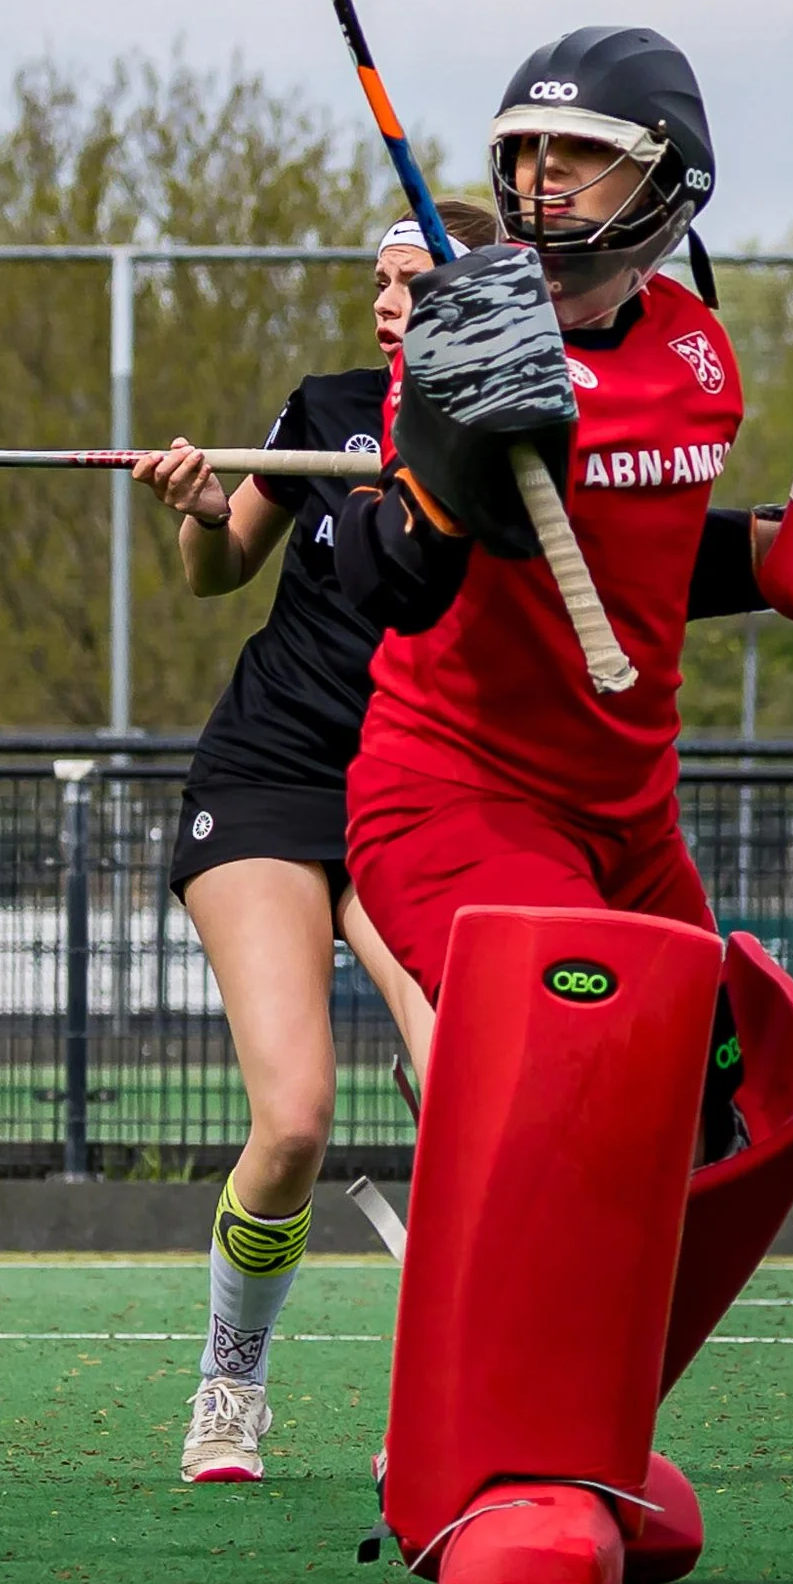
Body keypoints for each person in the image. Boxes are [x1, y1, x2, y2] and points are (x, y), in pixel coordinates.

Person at [332, 27, 788, 1584]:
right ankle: (473, 1470)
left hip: (630, 817)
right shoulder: (463, 337)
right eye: (523, 154)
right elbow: (395, 582)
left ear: (667, 184)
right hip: (455, 794)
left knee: (743, 1106)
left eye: (576, 156)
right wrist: (444, 460)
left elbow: (659, 547)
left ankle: (573, 1427)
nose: (538, 184)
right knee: (566, 1068)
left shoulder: (701, 354)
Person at [130, 198, 496, 1487]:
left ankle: (459, 1400)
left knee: (470, 1095)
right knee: (292, 1120)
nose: (388, 302)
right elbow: (218, 567)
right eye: (379, 280)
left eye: (415, 282)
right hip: (271, 777)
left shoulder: (514, 437)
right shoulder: (326, 407)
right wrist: (197, 506)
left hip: (419, 788)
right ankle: (231, 1380)